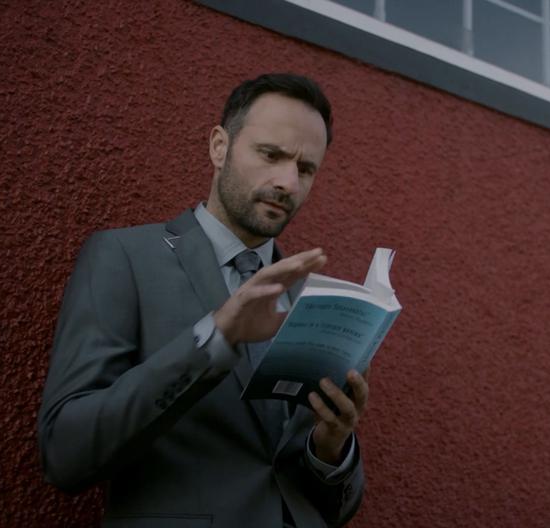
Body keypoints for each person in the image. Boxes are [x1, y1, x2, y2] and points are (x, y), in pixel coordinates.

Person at [37, 73, 368, 527]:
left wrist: (331, 448)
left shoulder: (315, 298)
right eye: (271, 154)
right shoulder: (125, 258)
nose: (288, 182)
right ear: (219, 146)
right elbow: (65, 453)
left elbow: (333, 508)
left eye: (305, 168)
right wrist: (218, 336)